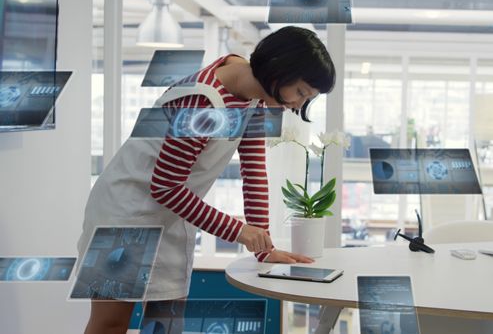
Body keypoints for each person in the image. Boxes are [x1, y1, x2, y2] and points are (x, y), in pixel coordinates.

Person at [78, 26, 336, 334]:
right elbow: (166, 186)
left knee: (166, 324)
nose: (297, 105)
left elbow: (254, 171)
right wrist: (239, 231)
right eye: (301, 93)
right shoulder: (203, 101)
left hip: (169, 219)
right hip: (122, 215)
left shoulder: (255, 96)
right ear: (280, 68)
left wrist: (263, 245)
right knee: (111, 324)